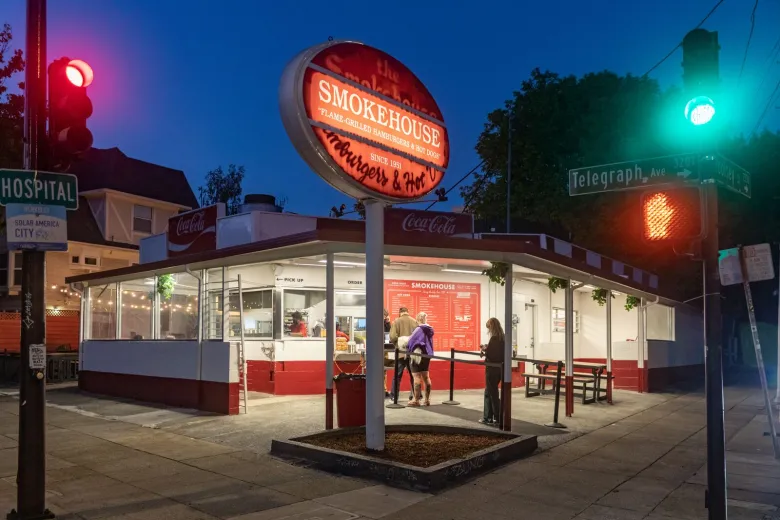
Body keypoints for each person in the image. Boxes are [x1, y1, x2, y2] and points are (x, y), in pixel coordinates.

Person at [389, 306, 417, 402]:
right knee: (414, 375)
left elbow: (392, 337)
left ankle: (394, 397)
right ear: (407, 312)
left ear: (399, 312)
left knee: (397, 376)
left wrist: (397, 343)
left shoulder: (396, 322)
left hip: (400, 352)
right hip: (412, 353)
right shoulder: (414, 321)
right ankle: (417, 396)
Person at [480, 317, 504, 426]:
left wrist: (485, 349)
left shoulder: (494, 339)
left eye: (489, 328)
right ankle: (488, 417)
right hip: (500, 369)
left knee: (492, 393)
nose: (488, 330)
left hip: (492, 369)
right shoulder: (502, 338)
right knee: (489, 392)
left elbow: (492, 354)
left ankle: (496, 417)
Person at [407, 312, 434, 406]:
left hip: (417, 355)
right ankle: (427, 400)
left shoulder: (418, 329)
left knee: (417, 377)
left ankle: (416, 400)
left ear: (418, 319)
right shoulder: (429, 329)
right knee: (426, 377)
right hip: (427, 355)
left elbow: (410, 341)